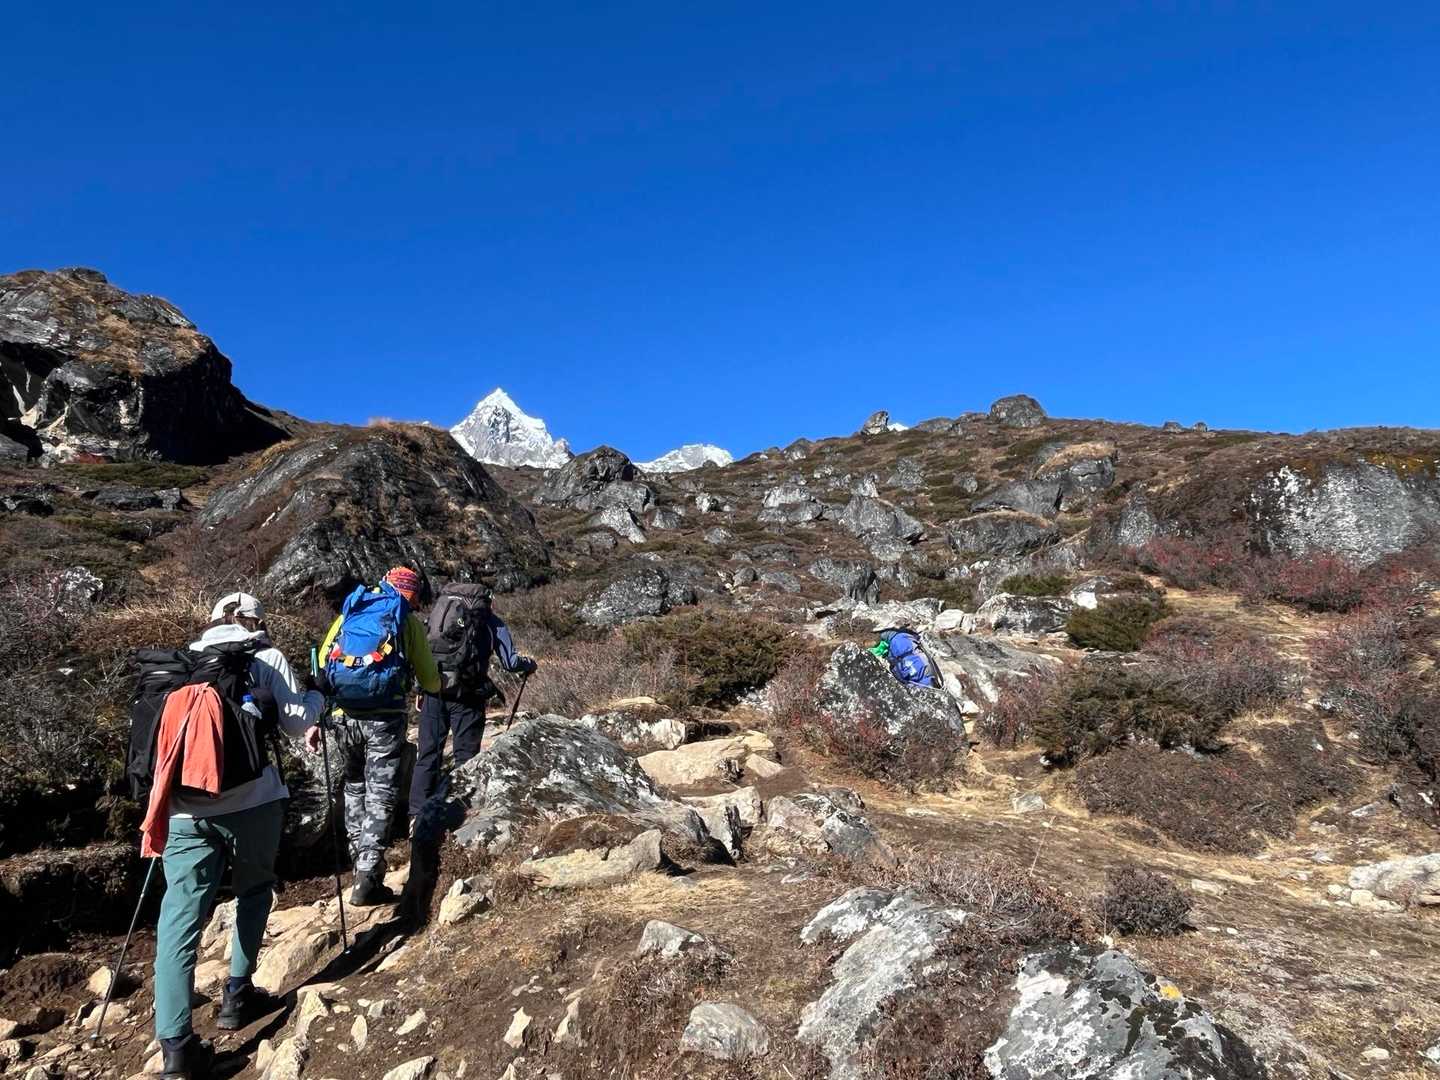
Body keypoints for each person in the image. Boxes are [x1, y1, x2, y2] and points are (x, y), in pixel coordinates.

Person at [150, 593, 326, 1080]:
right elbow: (298, 722)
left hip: (184, 811)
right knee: (253, 891)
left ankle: (175, 1047)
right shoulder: (266, 658)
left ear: (210, 622)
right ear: (256, 623)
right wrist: (317, 693)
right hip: (253, 801)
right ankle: (237, 993)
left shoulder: (181, 664)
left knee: (178, 921)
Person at [318, 566, 440, 906]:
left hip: (343, 717)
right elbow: (429, 679)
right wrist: (436, 685)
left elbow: (325, 661)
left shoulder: (351, 611)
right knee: (381, 794)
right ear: (411, 596)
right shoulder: (405, 621)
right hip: (384, 719)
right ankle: (367, 876)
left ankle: (358, 857)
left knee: (354, 787)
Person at [407, 582, 537, 822]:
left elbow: (425, 652)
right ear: (488, 601)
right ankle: (457, 816)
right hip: (469, 696)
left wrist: (420, 688)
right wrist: (528, 664)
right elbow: (510, 662)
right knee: (465, 757)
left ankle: (416, 817)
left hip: (434, 692)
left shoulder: (438, 615)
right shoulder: (491, 622)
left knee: (427, 756)